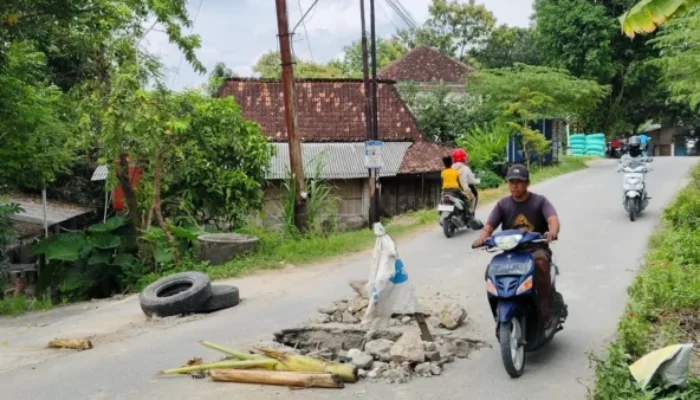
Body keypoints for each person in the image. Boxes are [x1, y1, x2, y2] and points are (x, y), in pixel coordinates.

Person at [472, 164, 560, 327]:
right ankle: (499, 310)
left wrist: (552, 232)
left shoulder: (539, 201)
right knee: (491, 271)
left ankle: (545, 310)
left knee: (541, 264)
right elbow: (489, 226)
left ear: (527, 183)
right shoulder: (503, 204)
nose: (514, 185)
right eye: (511, 182)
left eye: (519, 182)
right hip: (510, 251)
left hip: (535, 249)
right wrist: (482, 238)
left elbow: (552, 219)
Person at [451, 148, 480, 214]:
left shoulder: (451, 168)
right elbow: (472, 181)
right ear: (464, 158)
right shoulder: (465, 168)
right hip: (463, 191)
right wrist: (478, 181)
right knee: (473, 197)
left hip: (451, 191)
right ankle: (471, 213)